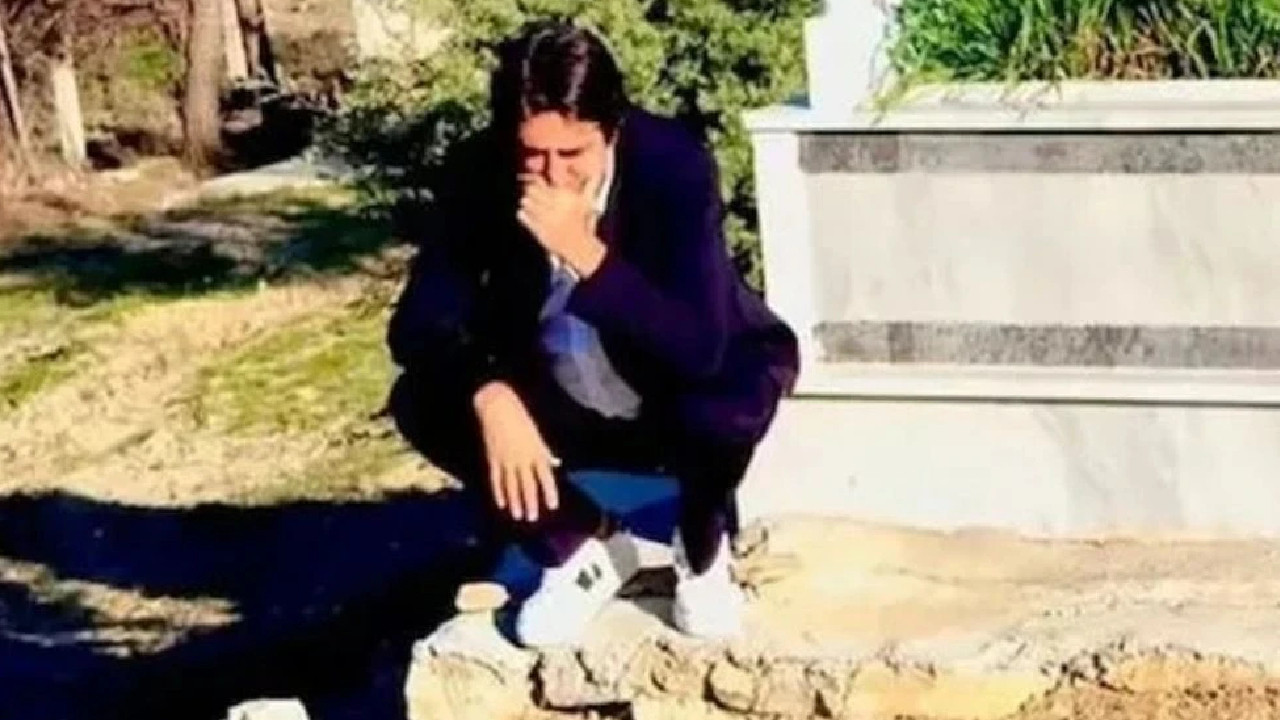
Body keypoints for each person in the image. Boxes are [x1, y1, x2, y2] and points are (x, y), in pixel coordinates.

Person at [386, 20, 799, 647]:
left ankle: (701, 548)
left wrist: (586, 253)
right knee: (425, 400)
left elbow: (700, 345)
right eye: (534, 155)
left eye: (573, 155)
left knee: (728, 390)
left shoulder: (672, 165)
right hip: (563, 391)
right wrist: (489, 391)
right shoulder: (480, 173)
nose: (552, 175)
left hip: (672, 390)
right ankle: (582, 546)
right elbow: (417, 324)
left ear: (611, 131)